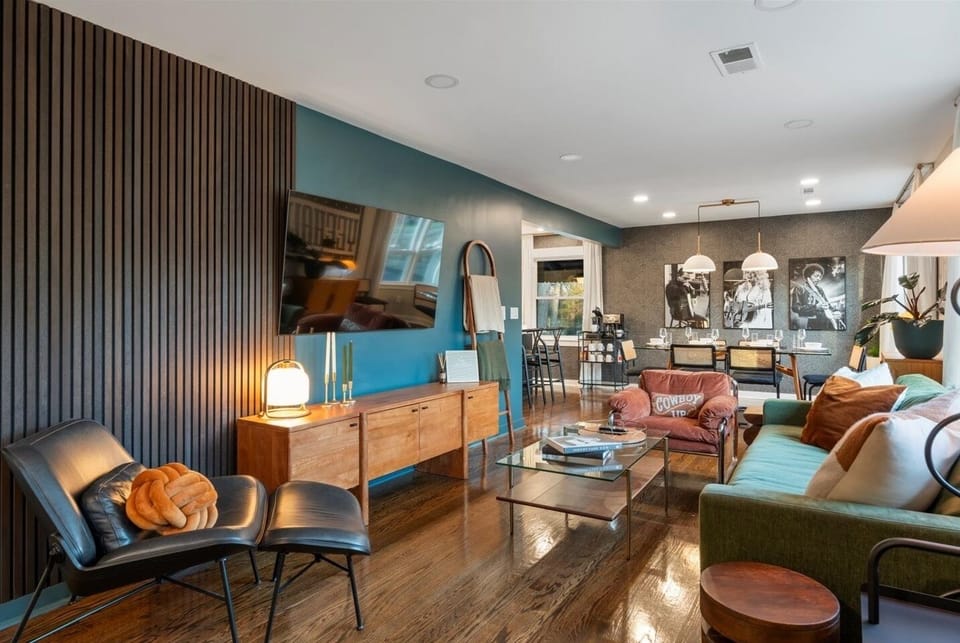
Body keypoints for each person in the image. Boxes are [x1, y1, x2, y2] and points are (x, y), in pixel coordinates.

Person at [790, 263, 840, 330]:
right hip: (805, 321)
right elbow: (795, 307)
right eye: (816, 276)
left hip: (821, 322)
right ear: (808, 277)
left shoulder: (820, 290)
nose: (818, 279)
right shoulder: (800, 289)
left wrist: (835, 311)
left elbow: (827, 304)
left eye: (820, 277)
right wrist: (815, 307)